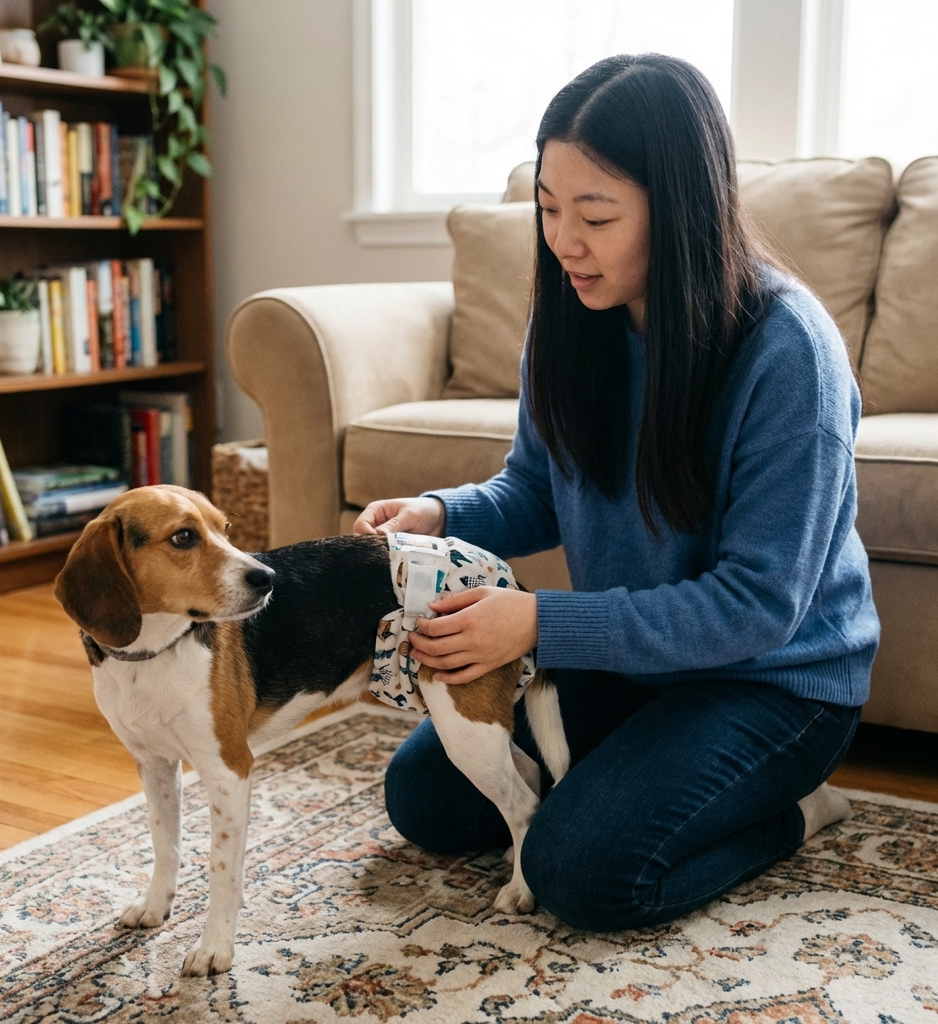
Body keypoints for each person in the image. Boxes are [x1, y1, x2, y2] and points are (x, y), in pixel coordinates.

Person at [353, 53, 880, 931]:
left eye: (595, 215)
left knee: (584, 871)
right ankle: (641, 772)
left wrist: (537, 623)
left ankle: (793, 809)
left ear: (679, 209)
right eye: (549, 209)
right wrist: (439, 513)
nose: (564, 240)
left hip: (775, 684)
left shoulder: (788, 355)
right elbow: (537, 488)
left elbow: (757, 607)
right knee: (428, 799)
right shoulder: (571, 315)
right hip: (635, 658)